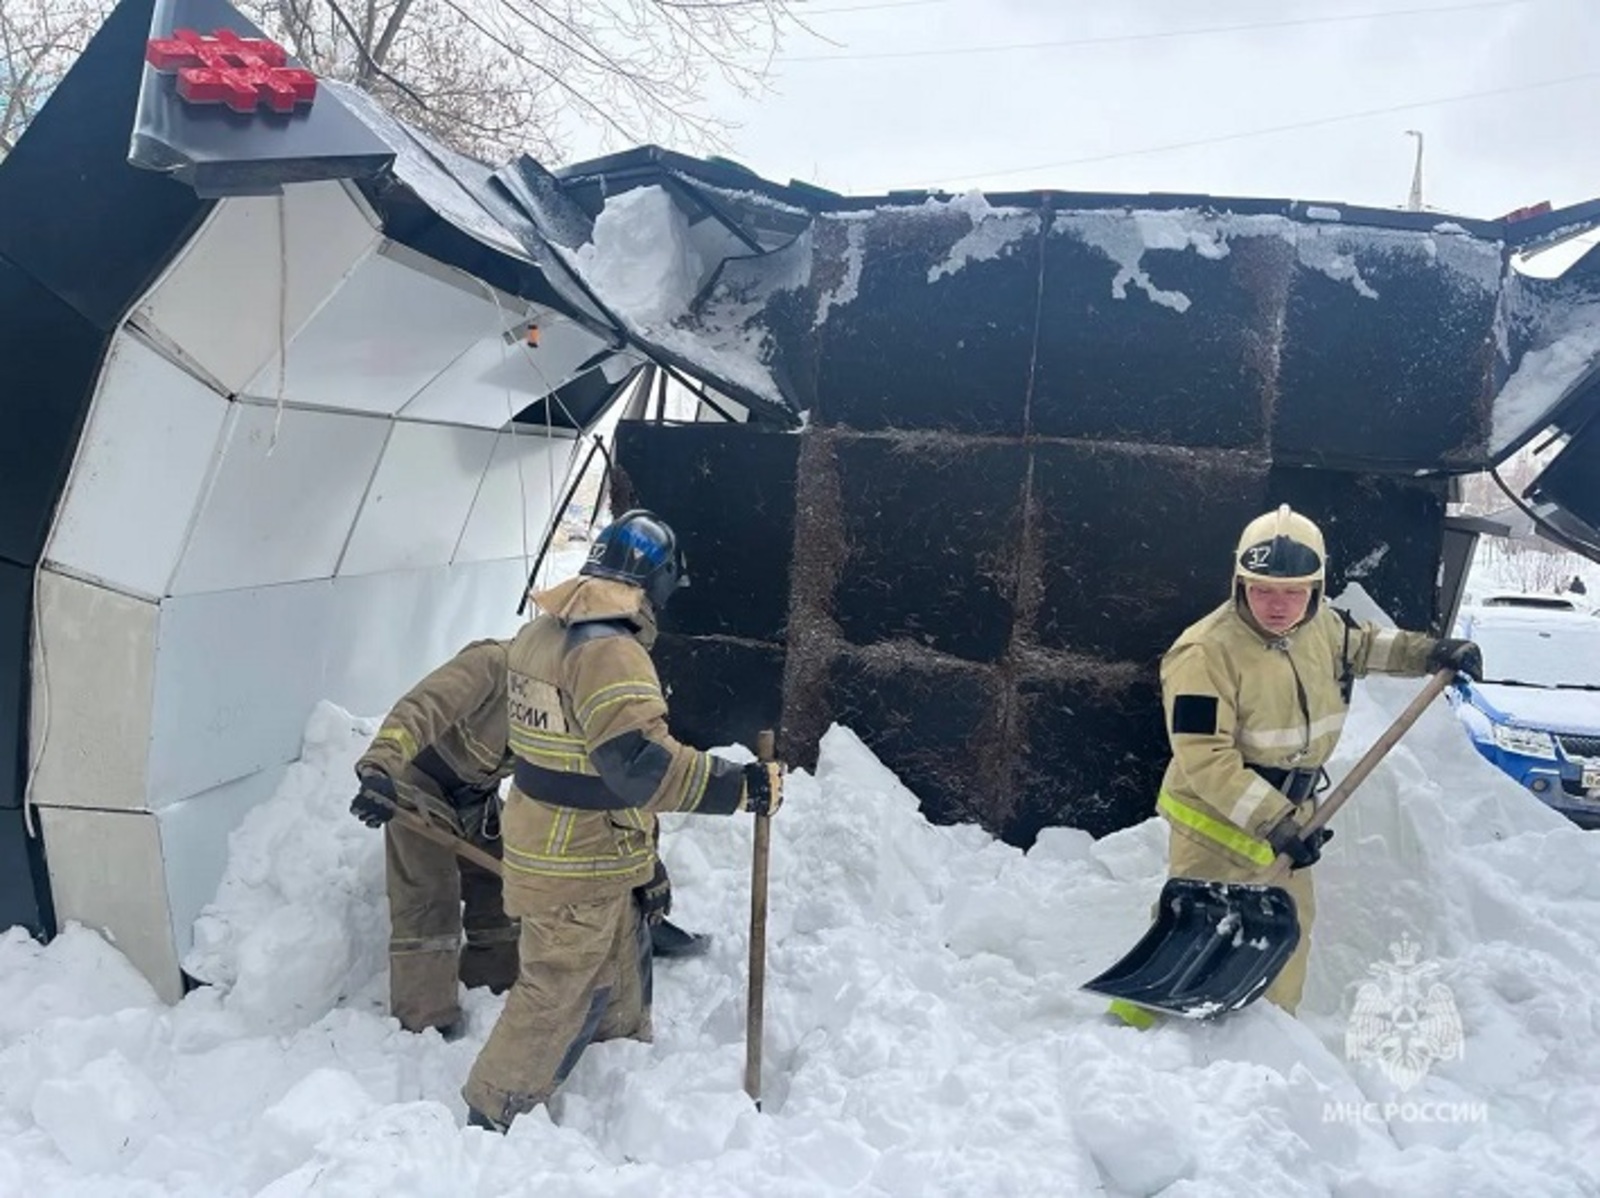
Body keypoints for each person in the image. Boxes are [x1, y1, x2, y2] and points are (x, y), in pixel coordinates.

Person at [460, 509, 784, 1131]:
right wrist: (737, 787)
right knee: (558, 986)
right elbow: (637, 765)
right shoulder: (610, 652)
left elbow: (575, 757)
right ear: (657, 581)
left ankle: (616, 1066)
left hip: (570, 842)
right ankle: (491, 1109)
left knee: (615, 958)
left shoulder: (543, 632)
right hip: (573, 857)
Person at [1112, 504, 1482, 1025]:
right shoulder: (1203, 652)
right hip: (1215, 819)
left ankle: (1269, 1036)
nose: (1278, 605)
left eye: (1294, 592)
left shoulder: (1321, 627)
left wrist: (1433, 652)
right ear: (1240, 582)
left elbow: (1368, 644)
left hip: (1292, 813)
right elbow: (1204, 756)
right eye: (1263, 590)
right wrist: (1275, 822)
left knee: (1283, 933)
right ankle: (1135, 1032)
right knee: (1192, 933)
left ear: (1317, 587)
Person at [350, 636, 711, 1039]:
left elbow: (613, 787)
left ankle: (491, 977)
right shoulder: (492, 664)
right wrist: (378, 769)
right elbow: (419, 710)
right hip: (417, 786)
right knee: (428, 896)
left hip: (476, 798)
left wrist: (645, 868)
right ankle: (425, 1019)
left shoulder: (577, 706)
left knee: (508, 880)